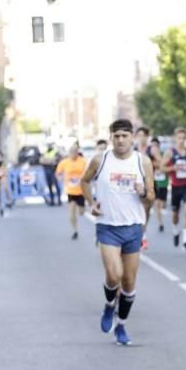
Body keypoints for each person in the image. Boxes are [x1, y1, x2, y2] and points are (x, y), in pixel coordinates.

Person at [79, 119, 154, 346]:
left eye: (125, 135)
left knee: (129, 282)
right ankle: (109, 305)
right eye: (117, 136)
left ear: (132, 137)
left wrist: (143, 193)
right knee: (114, 275)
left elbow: (151, 197)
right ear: (111, 137)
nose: (120, 140)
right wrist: (91, 202)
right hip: (107, 226)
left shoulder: (143, 162)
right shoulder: (100, 160)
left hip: (133, 227)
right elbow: (84, 181)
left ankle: (121, 325)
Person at [162, 127, 186, 252]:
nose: (182, 141)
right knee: (175, 214)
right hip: (176, 186)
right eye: (179, 138)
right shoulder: (170, 152)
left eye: (184, 138)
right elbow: (162, 167)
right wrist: (172, 168)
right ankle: (175, 230)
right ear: (175, 139)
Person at [55, 142, 87, 239]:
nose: (73, 153)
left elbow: (87, 173)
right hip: (70, 190)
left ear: (78, 152)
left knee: (81, 212)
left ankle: (80, 209)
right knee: (71, 213)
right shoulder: (64, 162)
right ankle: (75, 230)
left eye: (75, 151)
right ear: (69, 152)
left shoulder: (83, 162)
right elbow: (57, 173)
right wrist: (60, 179)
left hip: (81, 191)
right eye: (71, 151)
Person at [135, 127, 158, 249]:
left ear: (147, 137)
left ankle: (143, 232)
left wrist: (151, 163)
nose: (141, 138)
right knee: (138, 209)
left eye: (143, 135)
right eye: (139, 135)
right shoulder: (132, 150)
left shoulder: (151, 150)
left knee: (146, 211)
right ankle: (140, 235)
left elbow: (160, 164)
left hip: (149, 182)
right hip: (136, 182)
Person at [148, 136, 168, 234]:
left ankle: (163, 210)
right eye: (152, 146)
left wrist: (157, 157)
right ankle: (160, 223)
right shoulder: (148, 157)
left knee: (163, 204)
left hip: (163, 182)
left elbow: (165, 165)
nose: (153, 148)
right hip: (154, 183)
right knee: (157, 204)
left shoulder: (164, 154)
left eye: (155, 146)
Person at [41, 142, 62, 206]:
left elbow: (56, 160)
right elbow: (41, 160)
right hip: (47, 170)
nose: (49, 146)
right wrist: (50, 161)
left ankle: (59, 200)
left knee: (56, 185)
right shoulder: (45, 152)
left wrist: (48, 161)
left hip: (53, 170)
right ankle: (52, 200)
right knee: (49, 186)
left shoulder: (55, 152)